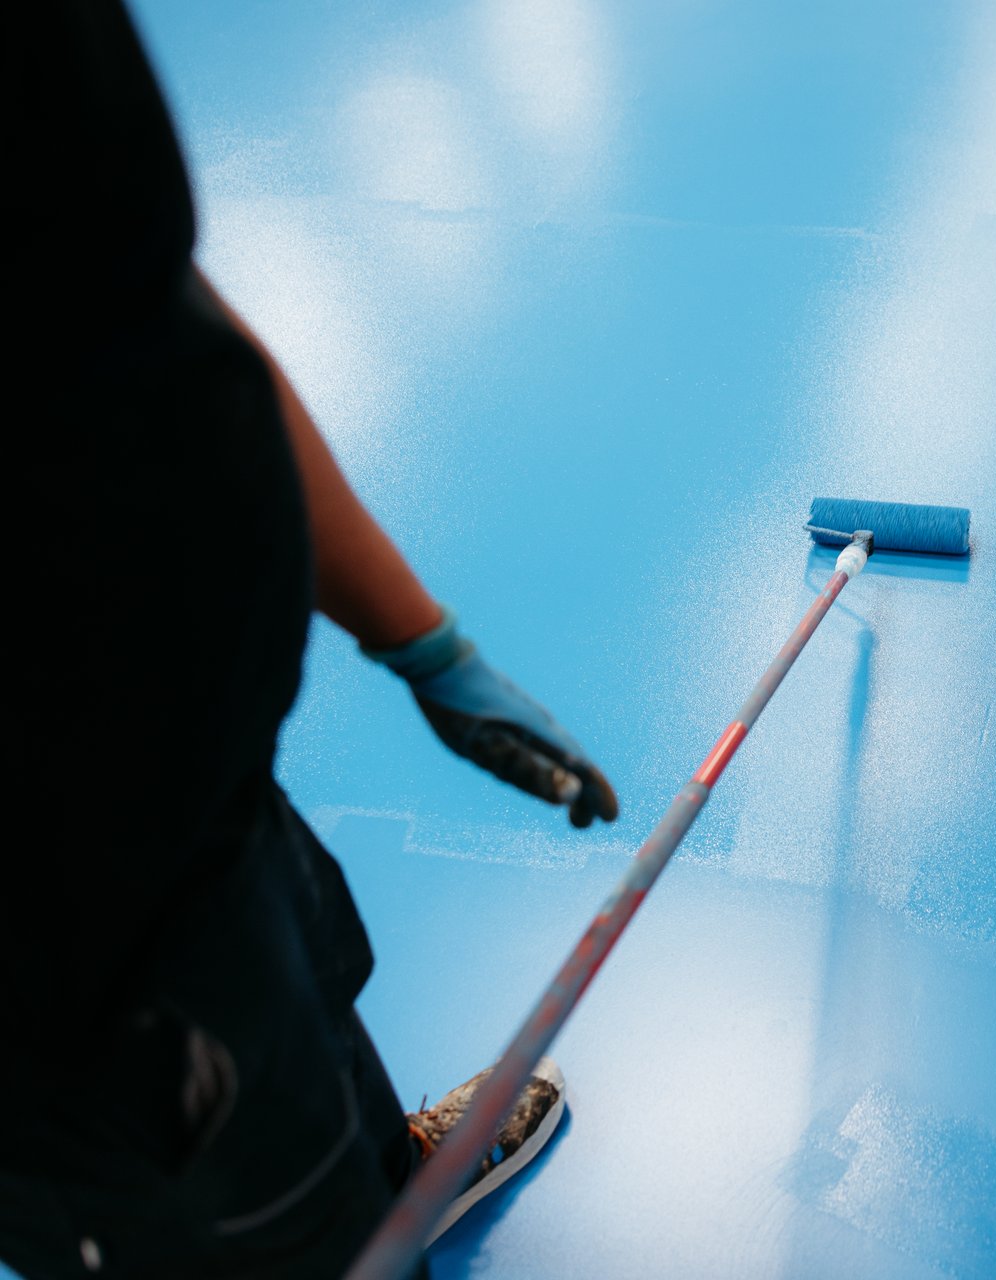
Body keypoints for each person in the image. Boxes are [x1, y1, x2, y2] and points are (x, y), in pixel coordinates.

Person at [4, 4, 620, 1276]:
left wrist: (426, 647)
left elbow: (157, 301)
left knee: (303, 1000)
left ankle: (388, 1177)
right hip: (69, 950)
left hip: (203, 781)